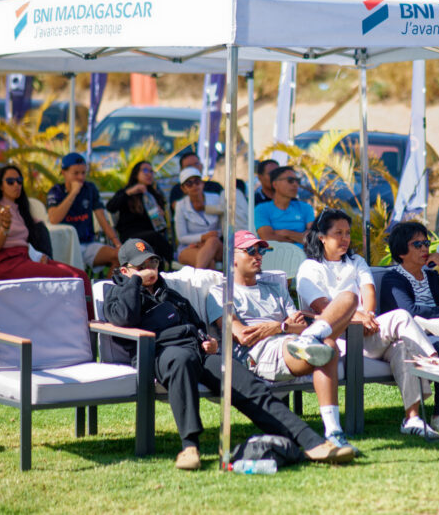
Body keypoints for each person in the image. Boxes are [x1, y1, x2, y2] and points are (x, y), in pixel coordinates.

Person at [103, 238, 355, 470]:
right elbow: (125, 318)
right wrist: (134, 282)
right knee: (181, 360)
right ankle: (190, 446)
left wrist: (208, 341)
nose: (149, 270)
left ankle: (311, 442)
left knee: (248, 385)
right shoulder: (117, 295)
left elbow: (196, 324)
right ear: (124, 271)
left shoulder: (170, 294)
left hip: (198, 351)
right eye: (141, 266)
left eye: (153, 263)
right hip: (160, 352)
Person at [206, 230, 360, 453]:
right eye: (250, 251)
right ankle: (334, 431)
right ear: (232, 258)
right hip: (258, 353)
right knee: (327, 347)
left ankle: (333, 433)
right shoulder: (221, 292)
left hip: (293, 340)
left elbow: (299, 325)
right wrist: (285, 326)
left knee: (349, 298)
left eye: (261, 251)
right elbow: (244, 335)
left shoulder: (275, 288)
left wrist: (280, 327)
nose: (258, 256)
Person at [296, 209, 439, 438]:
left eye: (347, 233)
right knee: (401, 316)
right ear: (322, 237)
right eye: (338, 233)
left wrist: (368, 316)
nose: (345, 238)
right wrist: (358, 316)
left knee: (402, 347)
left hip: (367, 332)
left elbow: (369, 293)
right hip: (337, 338)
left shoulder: (356, 261)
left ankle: (412, 418)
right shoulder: (309, 268)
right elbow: (323, 307)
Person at [379, 221, 439, 436]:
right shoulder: (393, 278)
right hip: (412, 336)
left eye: (426, 243)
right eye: (417, 244)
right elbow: (407, 311)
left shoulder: (431, 276)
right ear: (401, 251)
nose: (424, 249)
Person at [0, 164, 93, 317]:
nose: (16, 185)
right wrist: (5, 228)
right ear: (0, 186)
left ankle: (89, 323)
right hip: (8, 264)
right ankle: (79, 322)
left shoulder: (19, 209)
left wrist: (36, 255)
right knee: (72, 279)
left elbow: (25, 242)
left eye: (19, 181)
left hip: (25, 258)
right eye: (10, 181)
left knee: (82, 276)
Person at [46, 152, 121, 272]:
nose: (81, 177)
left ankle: (108, 285)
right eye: (76, 173)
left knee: (119, 256)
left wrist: (117, 244)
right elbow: (54, 219)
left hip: (87, 244)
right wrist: (73, 193)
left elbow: (102, 219)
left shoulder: (90, 188)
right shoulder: (56, 191)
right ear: (64, 173)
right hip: (65, 247)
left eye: (83, 173)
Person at [106, 160, 173, 267]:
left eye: (151, 171)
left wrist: (160, 214)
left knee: (155, 246)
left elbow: (159, 224)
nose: (149, 174)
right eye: (145, 170)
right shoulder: (126, 192)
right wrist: (129, 192)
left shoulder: (153, 195)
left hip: (151, 234)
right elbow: (110, 207)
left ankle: (161, 272)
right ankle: (172, 263)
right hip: (131, 235)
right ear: (136, 173)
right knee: (156, 239)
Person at [173, 167, 223, 269]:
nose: (194, 186)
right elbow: (181, 237)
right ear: (183, 188)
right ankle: (201, 274)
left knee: (212, 240)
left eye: (197, 181)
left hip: (215, 245)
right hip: (189, 247)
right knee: (209, 262)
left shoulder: (216, 198)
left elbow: (223, 227)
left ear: (202, 183)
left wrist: (206, 241)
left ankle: (197, 275)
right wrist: (202, 238)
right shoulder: (180, 205)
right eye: (189, 183)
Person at [254, 166, 314, 248]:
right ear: (275, 184)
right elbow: (267, 239)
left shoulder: (306, 207)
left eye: (297, 181)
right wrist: (300, 237)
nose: (295, 184)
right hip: (274, 255)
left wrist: (285, 233)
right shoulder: (261, 209)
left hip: (303, 255)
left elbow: (312, 239)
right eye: (290, 180)